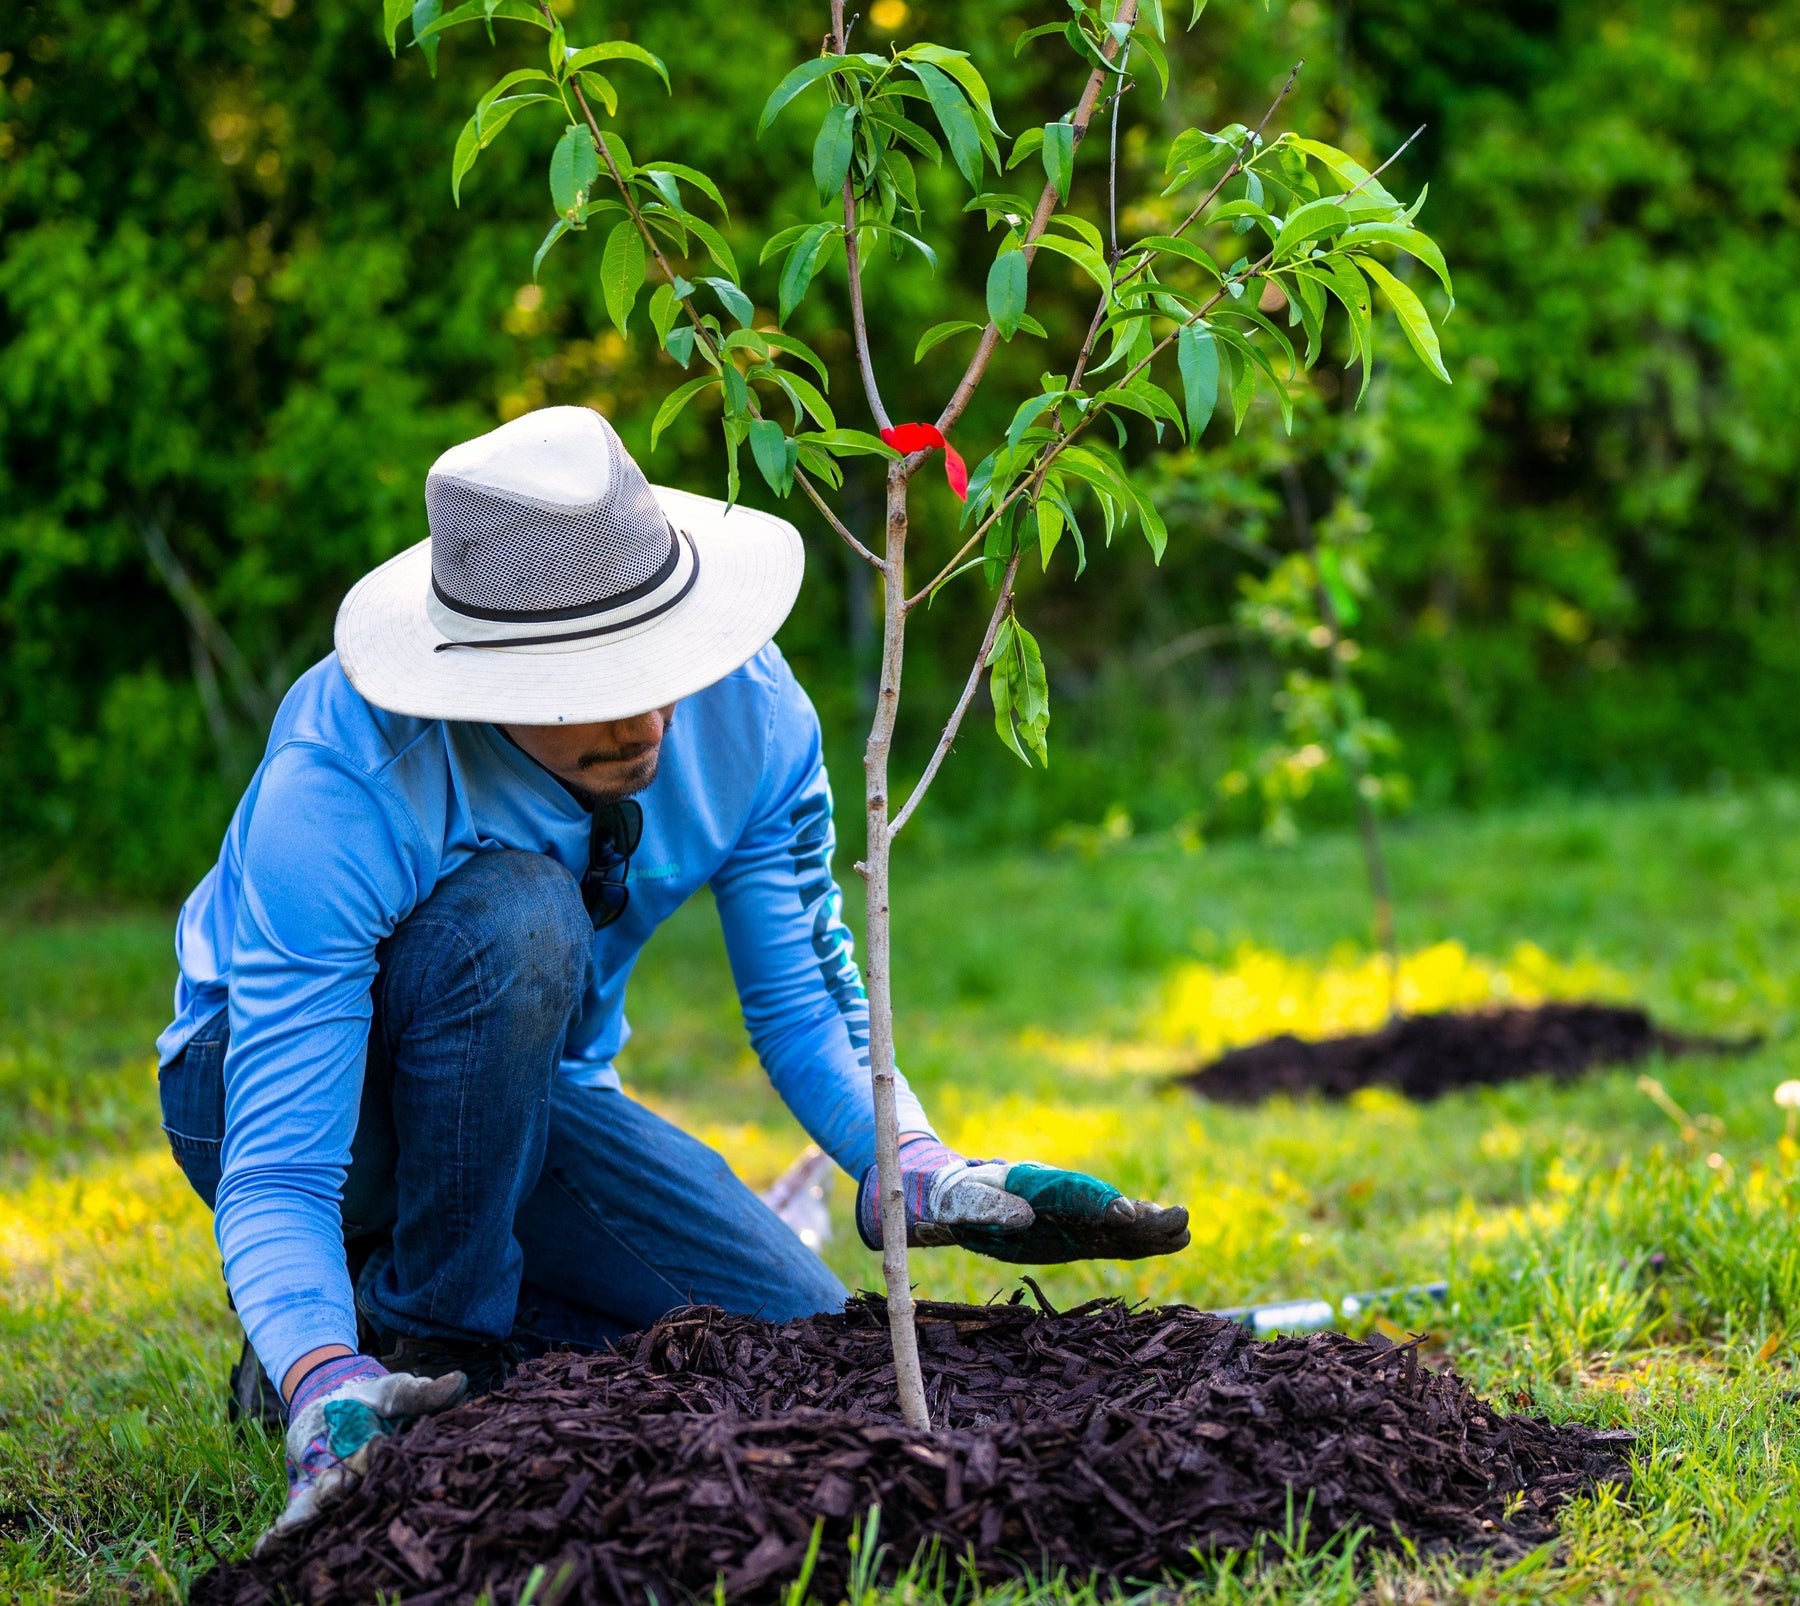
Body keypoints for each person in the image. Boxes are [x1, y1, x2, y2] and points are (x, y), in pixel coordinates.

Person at [155, 405, 1189, 1542]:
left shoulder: (750, 714)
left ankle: (406, 1328)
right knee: (520, 914)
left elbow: (806, 998)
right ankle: (394, 1350)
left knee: (788, 1334)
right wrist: (320, 1374)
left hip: (530, 1099)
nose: (648, 715)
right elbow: (281, 1169)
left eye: (661, 661)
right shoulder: (348, 780)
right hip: (267, 1091)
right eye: (588, 680)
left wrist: (916, 1166)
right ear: (483, 678)